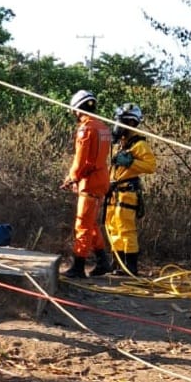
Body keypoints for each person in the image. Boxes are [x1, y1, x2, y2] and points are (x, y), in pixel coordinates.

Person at [61, 90, 113, 278]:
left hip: (89, 182)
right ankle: (102, 261)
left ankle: (78, 265)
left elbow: (81, 159)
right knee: (91, 224)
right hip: (100, 179)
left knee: (82, 224)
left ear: (77, 109)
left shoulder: (86, 129)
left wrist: (72, 177)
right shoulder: (103, 127)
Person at [104, 103, 156, 275]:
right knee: (112, 226)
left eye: (122, 121)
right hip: (114, 191)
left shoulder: (139, 144)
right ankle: (117, 263)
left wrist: (131, 162)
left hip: (127, 192)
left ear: (132, 123)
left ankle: (131, 266)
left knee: (126, 229)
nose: (118, 126)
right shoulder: (120, 144)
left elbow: (150, 166)